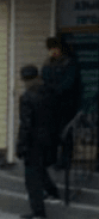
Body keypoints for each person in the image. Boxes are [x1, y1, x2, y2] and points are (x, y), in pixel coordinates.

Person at [17, 65, 60, 219]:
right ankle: (53, 192)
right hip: (50, 138)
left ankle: (39, 213)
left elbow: (26, 124)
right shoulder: (50, 93)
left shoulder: (27, 97)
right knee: (40, 169)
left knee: (32, 178)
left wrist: (21, 145)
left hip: (33, 140)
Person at [41, 37, 82, 170]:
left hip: (66, 105)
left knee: (65, 133)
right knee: (51, 133)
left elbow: (69, 84)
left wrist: (53, 90)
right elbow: (44, 80)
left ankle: (65, 161)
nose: (53, 51)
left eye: (55, 48)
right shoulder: (48, 64)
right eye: (51, 49)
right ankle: (51, 159)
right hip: (51, 105)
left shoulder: (69, 63)